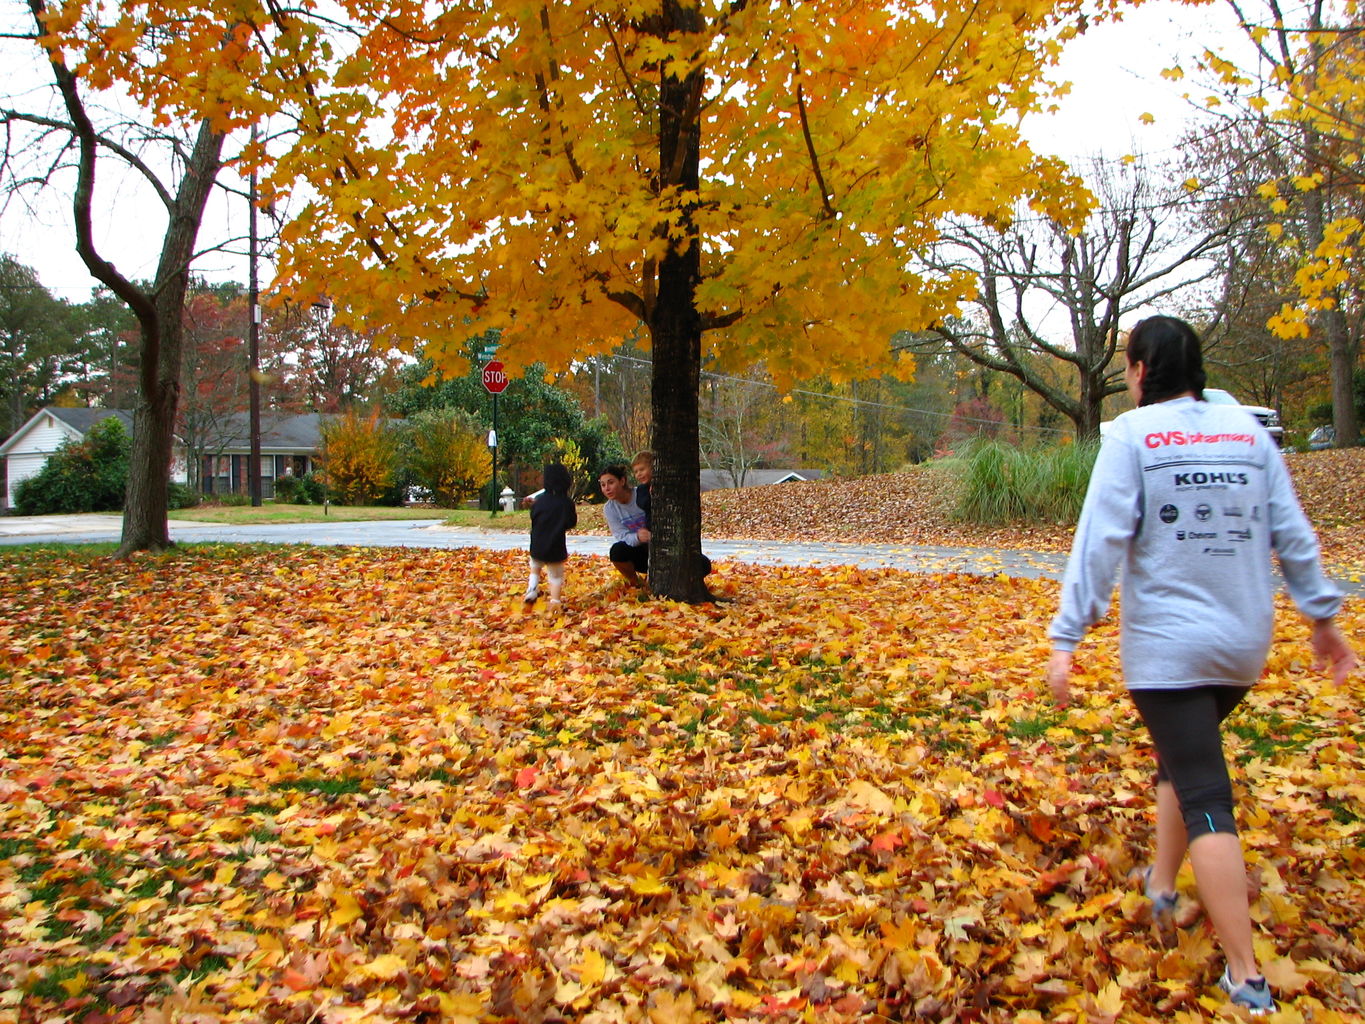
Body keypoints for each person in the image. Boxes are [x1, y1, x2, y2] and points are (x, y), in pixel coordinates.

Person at [1046, 315, 1356, 1016]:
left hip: (1168, 652)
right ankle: (1161, 882)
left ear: (1138, 370)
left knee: (1206, 796)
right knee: (1182, 761)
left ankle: (1244, 975)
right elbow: (1292, 533)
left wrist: (1067, 635)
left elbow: (1099, 539)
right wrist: (1322, 621)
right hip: (1241, 647)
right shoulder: (1248, 433)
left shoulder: (1130, 436)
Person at [524, 463, 577, 609]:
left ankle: (532, 589)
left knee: (535, 566)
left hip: (537, 544)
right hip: (556, 545)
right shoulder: (567, 503)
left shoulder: (539, 502)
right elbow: (571, 522)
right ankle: (555, 602)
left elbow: (533, 517)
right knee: (555, 575)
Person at [599, 463, 649, 589]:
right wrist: (638, 537)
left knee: (703, 566)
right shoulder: (609, 508)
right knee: (617, 551)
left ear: (622, 481)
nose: (607, 488)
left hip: (660, 547)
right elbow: (621, 535)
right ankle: (636, 584)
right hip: (638, 551)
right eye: (603, 485)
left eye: (611, 483)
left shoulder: (642, 494)